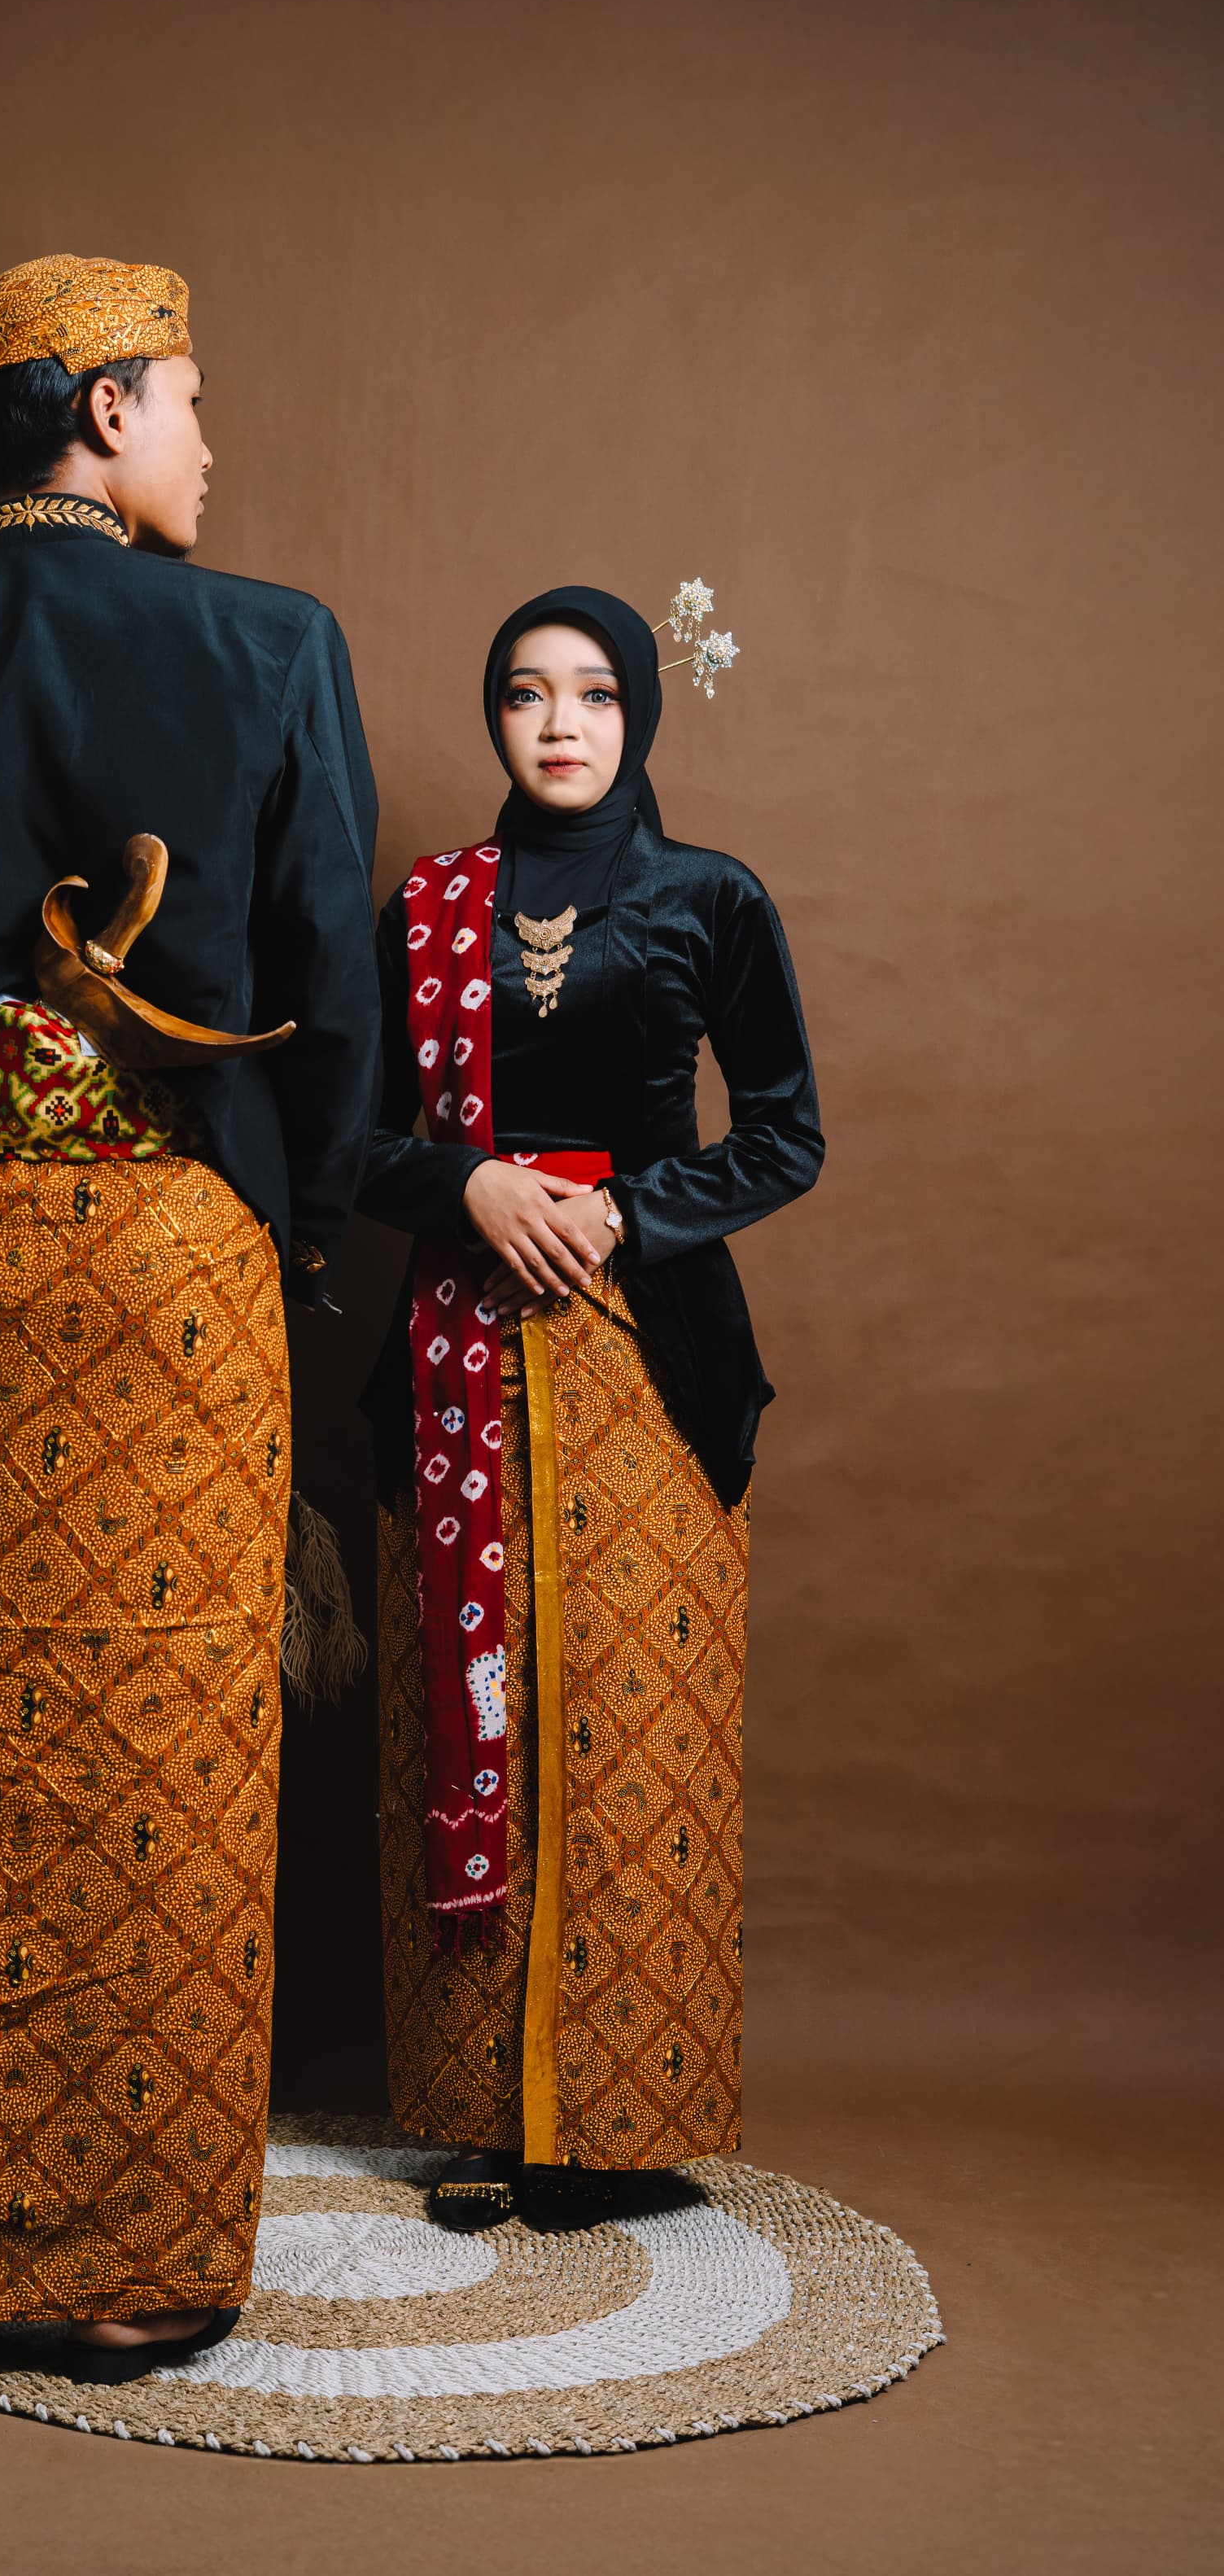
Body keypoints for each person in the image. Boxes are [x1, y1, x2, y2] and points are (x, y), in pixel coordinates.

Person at [0, 254, 378, 2375]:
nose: (209, 441)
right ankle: (142, 2257)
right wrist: (282, 1238)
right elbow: (329, 1003)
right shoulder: (273, 643)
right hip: (186, 1270)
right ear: (103, 413)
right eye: (188, 398)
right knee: (173, 1741)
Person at [357, 584, 821, 2232]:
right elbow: (349, 1139)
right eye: (525, 692)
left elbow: (784, 1133)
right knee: (477, 1702)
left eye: (596, 692)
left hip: (649, 1357)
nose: (559, 723)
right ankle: (483, 2114)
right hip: (458, 1360)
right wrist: (470, 1183)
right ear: (493, 715)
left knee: (631, 1720)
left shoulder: (710, 896)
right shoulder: (426, 908)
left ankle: (623, 2120)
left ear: (641, 713)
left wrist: (623, 1211)